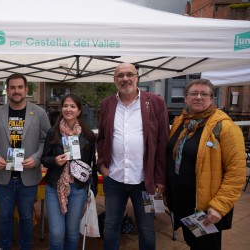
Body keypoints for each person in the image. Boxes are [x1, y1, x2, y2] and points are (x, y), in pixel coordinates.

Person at [166, 79, 246, 250]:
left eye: (204, 94)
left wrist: (219, 206)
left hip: (205, 207)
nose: (199, 97)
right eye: (194, 93)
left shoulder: (226, 128)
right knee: (192, 240)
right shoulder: (181, 122)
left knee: (206, 246)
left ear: (212, 99)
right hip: (184, 201)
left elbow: (236, 173)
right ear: (186, 98)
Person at [97, 62, 169, 250]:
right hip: (114, 178)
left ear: (137, 77)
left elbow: (162, 142)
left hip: (146, 181)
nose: (125, 78)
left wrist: (160, 178)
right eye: (120, 75)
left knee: (146, 227)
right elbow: (102, 138)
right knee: (111, 224)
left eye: (129, 74)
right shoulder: (107, 104)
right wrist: (102, 166)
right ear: (114, 80)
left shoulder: (155, 102)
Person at [0, 73, 51, 250]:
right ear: (7, 90)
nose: (16, 91)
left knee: (27, 217)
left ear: (26, 89)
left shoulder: (38, 113)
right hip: (3, 177)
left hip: (28, 177)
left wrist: (36, 158)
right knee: (5, 217)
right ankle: (4, 247)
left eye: (20, 87)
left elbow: (47, 140)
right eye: (12, 87)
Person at [41, 93, 97, 250]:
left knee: (72, 232)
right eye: (65, 106)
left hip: (78, 188)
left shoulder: (88, 136)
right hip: (54, 187)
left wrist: (92, 191)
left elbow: (92, 164)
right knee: (57, 233)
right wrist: (54, 161)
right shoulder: (53, 132)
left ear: (79, 111)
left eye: (72, 106)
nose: (68, 109)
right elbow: (44, 158)